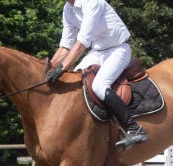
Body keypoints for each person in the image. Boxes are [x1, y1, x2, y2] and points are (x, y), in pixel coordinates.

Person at [46, 0, 148, 149]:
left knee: (99, 86)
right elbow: (65, 46)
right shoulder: (68, 10)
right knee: (72, 78)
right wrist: (48, 69)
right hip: (98, 52)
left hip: (118, 49)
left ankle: (135, 129)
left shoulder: (92, 2)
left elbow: (82, 43)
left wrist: (61, 68)